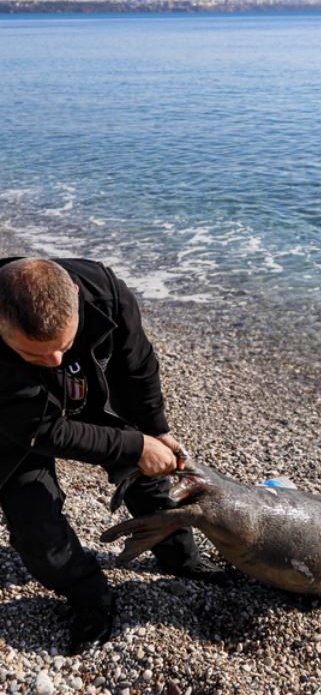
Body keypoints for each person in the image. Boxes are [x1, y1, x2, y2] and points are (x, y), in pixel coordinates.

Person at [0, 257, 225, 654]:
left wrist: (154, 431)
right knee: (37, 531)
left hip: (85, 390)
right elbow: (40, 430)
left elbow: (137, 366)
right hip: (16, 420)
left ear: (75, 295)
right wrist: (135, 446)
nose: (54, 361)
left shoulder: (104, 291)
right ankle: (89, 594)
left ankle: (181, 558)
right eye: (36, 354)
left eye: (63, 346)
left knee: (148, 473)